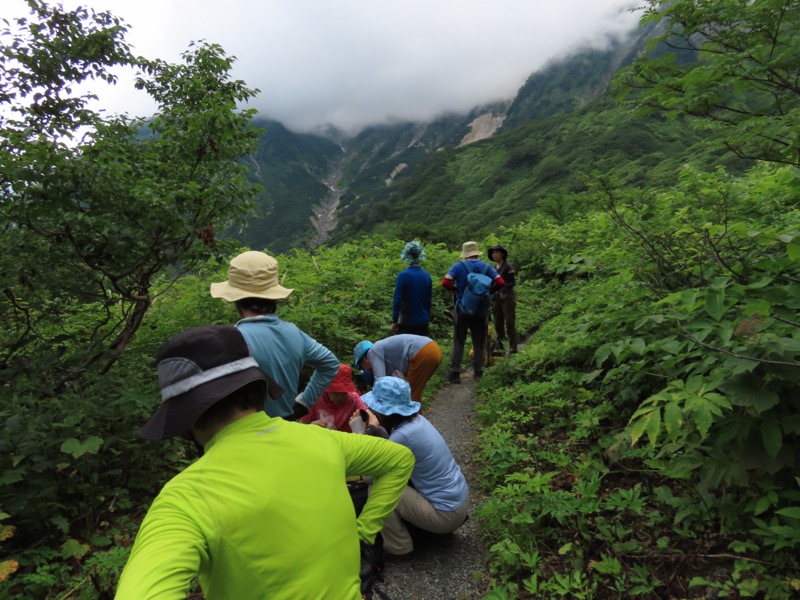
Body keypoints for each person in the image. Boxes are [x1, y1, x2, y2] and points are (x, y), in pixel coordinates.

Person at [115, 325, 414, 600]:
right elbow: (400, 459)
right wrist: (362, 530)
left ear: (184, 417)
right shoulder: (323, 440)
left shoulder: (184, 500)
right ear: (258, 389)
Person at [210, 250, 339, 420]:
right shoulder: (295, 333)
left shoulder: (233, 339)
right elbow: (330, 363)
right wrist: (303, 402)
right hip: (288, 426)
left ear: (237, 300)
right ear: (273, 297)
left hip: (248, 433)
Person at [358, 376, 469, 563]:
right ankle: (423, 529)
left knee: (377, 487)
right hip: (458, 503)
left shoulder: (402, 436)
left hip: (446, 515)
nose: (374, 413)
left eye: (376, 410)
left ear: (388, 413)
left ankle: (399, 548)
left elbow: (367, 474)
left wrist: (365, 430)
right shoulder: (417, 423)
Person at [441, 241, 505, 383]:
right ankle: (478, 372)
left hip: (462, 309)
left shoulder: (459, 266)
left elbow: (445, 282)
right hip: (481, 311)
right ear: (477, 253)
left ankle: (455, 373)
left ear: (465, 254)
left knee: (459, 341)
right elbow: (501, 282)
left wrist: (456, 290)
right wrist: (489, 291)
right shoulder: (486, 267)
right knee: (479, 342)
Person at [353, 334, 442, 403]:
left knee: (409, 396)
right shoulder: (384, 353)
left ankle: (413, 424)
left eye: (361, 366)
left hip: (423, 352)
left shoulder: (372, 351)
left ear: (364, 358)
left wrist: (371, 404)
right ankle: (416, 422)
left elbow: (380, 381)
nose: (365, 370)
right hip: (432, 349)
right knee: (414, 394)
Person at [299, 363, 368, 432]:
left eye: (344, 393)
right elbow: (301, 426)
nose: (339, 397)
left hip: (345, 439)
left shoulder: (353, 398)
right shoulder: (314, 399)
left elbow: (371, 417)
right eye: (336, 392)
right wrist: (311, 426)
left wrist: (369, 428)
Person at [391, 240, 432, 337]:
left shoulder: (403, 276)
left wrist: (394, 320)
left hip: (408, 322)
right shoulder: (426, 276)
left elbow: (397, 300)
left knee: (407, 351)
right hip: (423, 322)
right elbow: (428, 301)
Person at [488, 244, 518, 354]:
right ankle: (500, 346)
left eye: (497, 252)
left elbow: (512, 282)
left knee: (509, 322)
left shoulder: (507, 266)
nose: (495, 255)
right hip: (496, 298)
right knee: (498, 323)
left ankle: (513, 347)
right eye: (493, 253)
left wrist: (504, 291)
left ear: (502, 254)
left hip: (507, 298)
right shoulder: (492, 268)